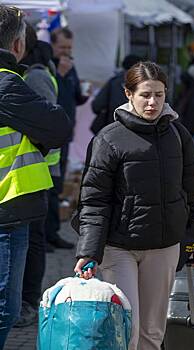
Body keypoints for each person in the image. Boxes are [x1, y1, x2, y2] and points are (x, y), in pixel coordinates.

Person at [74, 61, 194, 350]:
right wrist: (89, 251)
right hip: (119, 246)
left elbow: (192, 191)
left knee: (153, 331)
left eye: (159, 95)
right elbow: (93, 199)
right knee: (128, 327)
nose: (153, 102)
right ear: (128, 94)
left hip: (164, 246)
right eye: (145, 95)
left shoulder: (178, 135)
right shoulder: (108, 139)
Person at [0, 6, 71, 346]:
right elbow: (58, 126)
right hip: (7, 207)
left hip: (12, 206)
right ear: (17, 45)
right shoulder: (7, 83)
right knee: (5, 308)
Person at [15, 23, 60, 328]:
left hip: (37, 173)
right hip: (23, 176)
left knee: (33, 241)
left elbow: (51, 125)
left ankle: (29, 303)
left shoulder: (34, 77)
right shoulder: (22, 77)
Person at [49, 27, 88, 249]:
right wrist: (61, 76)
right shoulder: (49, 67)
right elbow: (54, 98)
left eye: (69, 48)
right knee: (51, 185)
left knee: (57, 183)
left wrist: (83, 95)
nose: (66, 52)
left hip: (65, 133)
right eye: (62, 47)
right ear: (53, 45)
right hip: (52, 135)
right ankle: (47, 234)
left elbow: (72, 97)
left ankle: (52, 232)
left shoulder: (69, 66)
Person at [90, 54, 142, 134]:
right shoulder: (147, 85)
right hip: (138, 132)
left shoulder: (113, 82)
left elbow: (96, 106)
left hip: (112, 130)